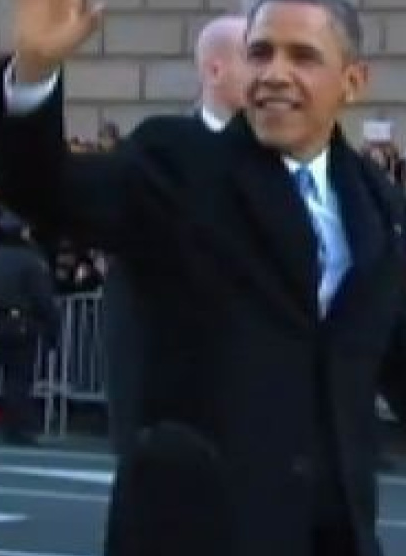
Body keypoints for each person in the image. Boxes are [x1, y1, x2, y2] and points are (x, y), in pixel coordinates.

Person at [0, 1, 406, 556]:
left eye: (303, 57)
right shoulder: (180, 161)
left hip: (332, 533)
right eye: (260, 53)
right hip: (196, 531)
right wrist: (34, 74)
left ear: (352, 82)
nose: (275, 74)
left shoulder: (374, 201)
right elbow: (47, 189)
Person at [102, 14, 248, 458]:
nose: (274, 73)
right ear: (216, 69)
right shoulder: (157, 152)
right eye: (257, 56)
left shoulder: (294, 162)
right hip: (169, 396)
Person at [0, 212, 59, 446]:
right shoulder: (32, 260)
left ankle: (11, 425)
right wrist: (53, 326)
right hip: (21, 324)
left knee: (8, 376)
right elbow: (43, 298)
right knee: (20, 378)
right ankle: (18, 427)